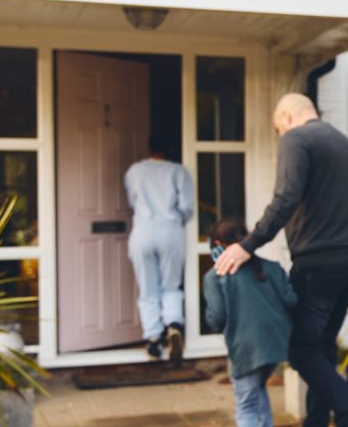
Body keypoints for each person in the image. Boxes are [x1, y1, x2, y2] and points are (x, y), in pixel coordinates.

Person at [213, 94, 348, 427]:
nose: (281, 136)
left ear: (287, 117)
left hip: (318, 262)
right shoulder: (346, 145)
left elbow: (285, 198)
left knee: (301, 351)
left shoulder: (296, 138)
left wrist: (247, 245)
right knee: (321, 350)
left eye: (279, 129)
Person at [204, 218, 297, 427]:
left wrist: (210, 321)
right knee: (258, 390)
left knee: (246, 405)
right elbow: (292, 300)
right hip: (275, 344)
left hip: (245, 347)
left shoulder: (216, 276)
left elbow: (217, 318)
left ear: (218, 245)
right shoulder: (271, 267)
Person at [125, 134, 194, 363]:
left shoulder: (135, 171)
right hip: (170, 229)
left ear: (149, 148)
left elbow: (132, 200)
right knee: (171, 284)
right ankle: (173, 324)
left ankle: (153, 337)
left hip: (143, 230)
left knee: (148, 287)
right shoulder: (178, 171)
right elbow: (186, 206)